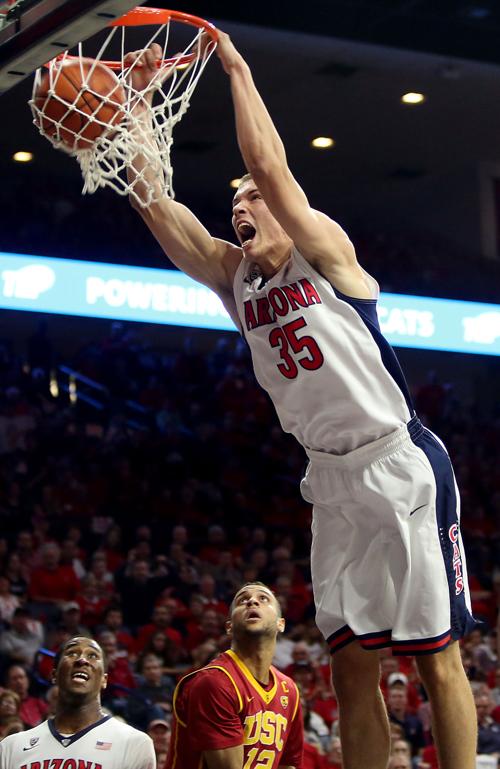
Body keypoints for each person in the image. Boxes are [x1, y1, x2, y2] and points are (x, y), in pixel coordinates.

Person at [127, 32, 477, 769]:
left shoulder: (326, 253)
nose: (240, 207)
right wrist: (128, 114)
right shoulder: (237, 283)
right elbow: (160, 207)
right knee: (351, 661)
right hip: (330, 478)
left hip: (400, 462)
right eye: (236, 206)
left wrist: (235, 65)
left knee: (436, 654)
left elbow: (269, 165)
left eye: (252, 201)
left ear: (290, 210)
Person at [165, 582, 303, 768]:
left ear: (281, 624)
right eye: (242, 600)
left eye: (263, 598)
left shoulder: (289, 689)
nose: (252, 602)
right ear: (229, 627)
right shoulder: (214, 682)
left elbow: (288, 764)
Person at [0, 636, 155, 767]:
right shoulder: (12, 747)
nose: (82, 660)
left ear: (104, 680)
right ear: (54, 675)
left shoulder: (134, 743)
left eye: (92, 655)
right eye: (72, 653)